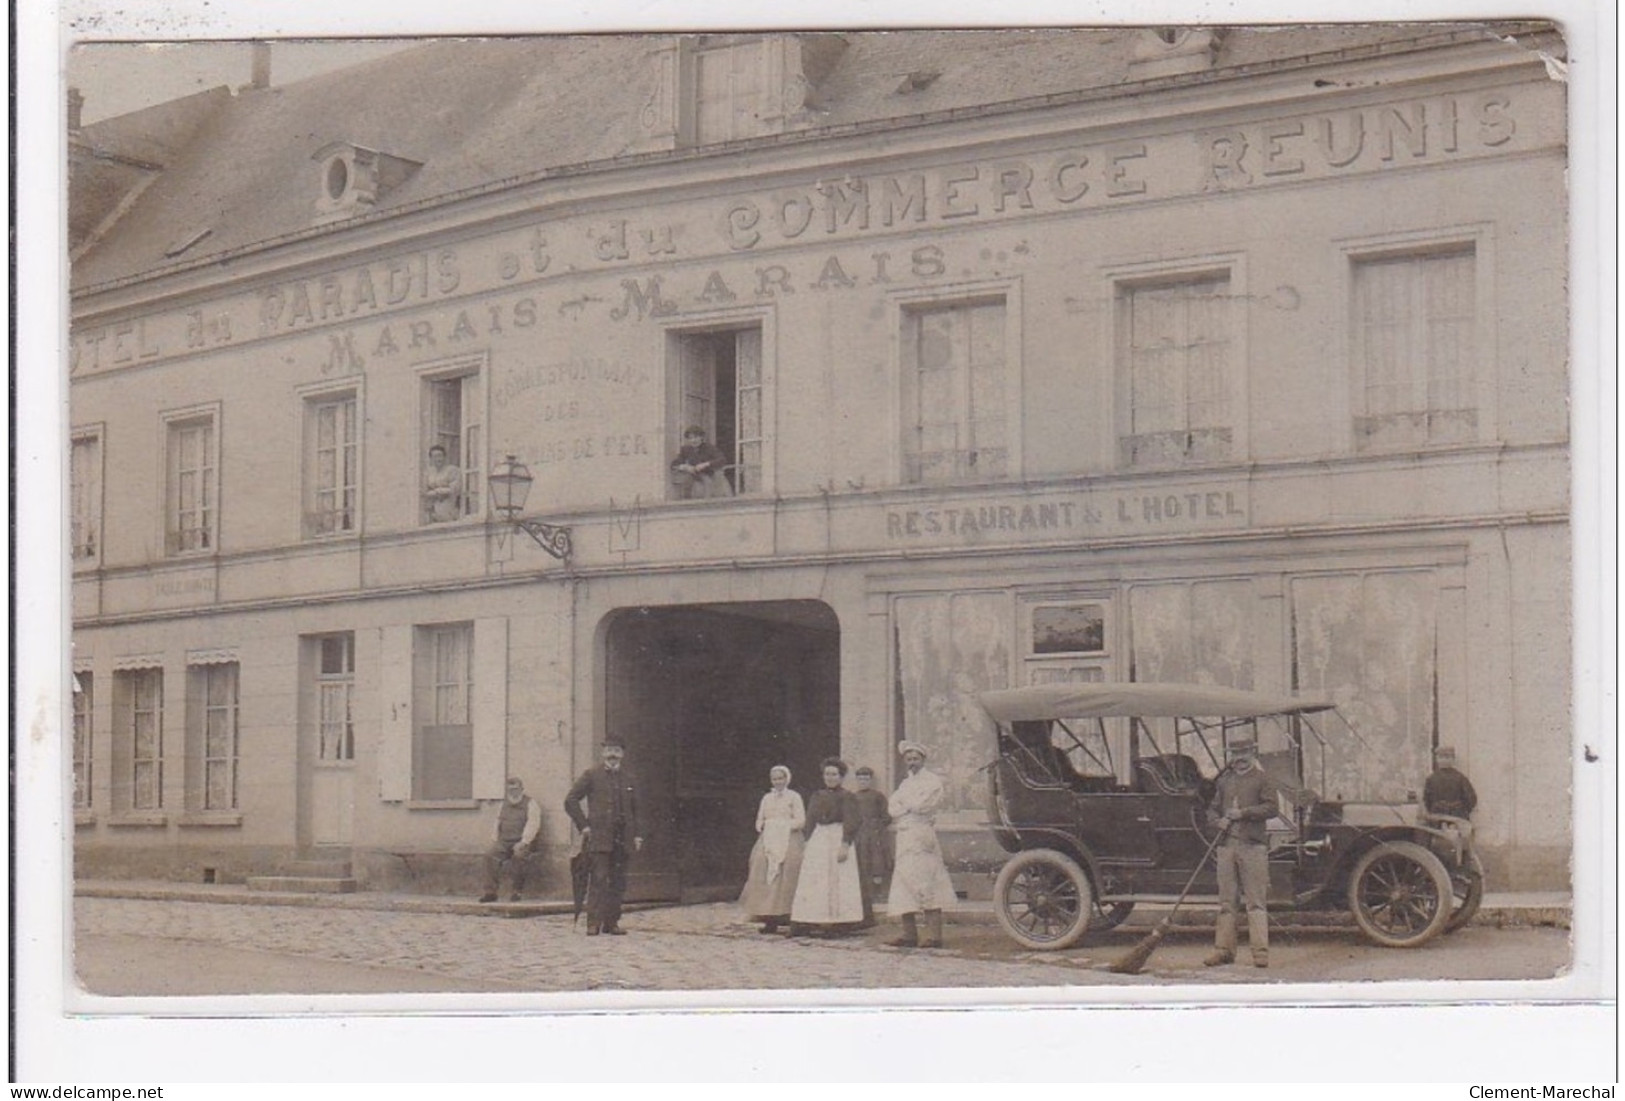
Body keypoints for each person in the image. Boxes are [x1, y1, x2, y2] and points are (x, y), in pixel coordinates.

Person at [1204, 734, 1278, 969]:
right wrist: (1218, 822)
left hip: (1253, 847)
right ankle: (1224, 951)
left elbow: (1272, 808)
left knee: (1256, 902)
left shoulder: (1263, 779)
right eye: (1235, 755)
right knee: (1227, 902)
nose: (1240, 759)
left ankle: (1260, 953)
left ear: (1252, 754)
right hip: (1226, 848)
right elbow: (1212, 811)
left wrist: (1243, 813)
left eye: (1244, 754)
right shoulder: (1224, 782)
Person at [564, 741, 644, 936]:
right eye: (609, 751)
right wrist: (584, 826)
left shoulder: (629, 779)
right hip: (599, 838)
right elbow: (570, 800)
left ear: (622, 754)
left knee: (618, 881)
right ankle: (593, 923)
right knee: (599, 879)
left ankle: (612, 923)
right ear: (602, 753)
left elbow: (637, 809)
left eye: (616, 751)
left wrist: (638, 834)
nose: (612, 755)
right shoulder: (592, 775)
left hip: (622, 838)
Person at [886, 741, 957, 948]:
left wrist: (907, 806)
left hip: (922, 835)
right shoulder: (905, 784)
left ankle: (934, 936)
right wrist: (907, 807)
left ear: (923, 760)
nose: (912, 763)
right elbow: (893, 808)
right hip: (905, 836)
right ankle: (909, 935)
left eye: (916, 759)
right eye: (909, 759)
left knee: (927, 881)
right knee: (904, 882)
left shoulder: (932, 781)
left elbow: (923, 806)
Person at [789, 758, 864, 935]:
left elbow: (852, 821)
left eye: (834, 774)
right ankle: (810, 920)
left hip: (837, 836)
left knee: (837, 877)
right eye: (827, 774)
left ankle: (837, 922)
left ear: (841, 777)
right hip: (819, 837)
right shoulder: (817, 795)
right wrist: (806, 841)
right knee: (815, 878)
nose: (830, 778)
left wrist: (845, 844)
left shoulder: (847, 796)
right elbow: (810, 819)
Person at [737, 765, 806, 934]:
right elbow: (760, 819)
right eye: (774, 779)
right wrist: (764, 826)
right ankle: (769, 919)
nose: (778, 782)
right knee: (763, 872)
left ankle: (789, 916)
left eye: (780, 778)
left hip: (789, 839)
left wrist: (782, 826)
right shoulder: (767, 798)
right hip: (768, 840)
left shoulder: (794, 797)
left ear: (787, 779)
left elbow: (800, 820)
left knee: (788, 874)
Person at [479, 776, 541, 902]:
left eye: (516, 789)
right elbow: (498, 822)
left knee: (519, 856)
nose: (513, 792)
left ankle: (516, 891)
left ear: (522, 789)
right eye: (510, 790)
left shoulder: (530, 803)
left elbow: (533, 824)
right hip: (504, 841)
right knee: (489, 855)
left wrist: (524, 841)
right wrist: (495, 840)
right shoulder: (503, 804)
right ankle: (490, 892)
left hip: (522, 842)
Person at [850, 765, 893, 929]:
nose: (863, 781)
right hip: (859, 834)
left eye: (866, 778)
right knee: (861, 862)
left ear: (871, 780)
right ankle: (864, 894)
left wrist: (877, 825)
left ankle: (878, 893)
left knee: (877, 861)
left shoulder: (878, 796)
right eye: (860, 779)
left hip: (875, 834)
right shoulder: (853, 797)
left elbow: (887, 816)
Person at [669, 426, 731, 500]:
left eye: (696, 437)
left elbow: (722, 459)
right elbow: (674, 464)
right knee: (686, 481)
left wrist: (706, 464)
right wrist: (685, 467)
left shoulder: (709, 448)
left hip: (710, 476)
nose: (693, 440)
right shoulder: (686, 450)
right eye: (690, 438)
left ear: (702, 437)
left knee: (709, 485)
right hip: (694, 477)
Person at [1423, 746, 1478, 820]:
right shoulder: (1431, 779)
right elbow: (1427, 800)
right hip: (1437, 815)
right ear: (1437, 759)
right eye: (1441, 757)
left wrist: (1462, 810)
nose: (1444, 760)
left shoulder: (1460, 778)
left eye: (1447, 757)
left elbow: (1471, 798)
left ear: (1453, 759)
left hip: (1458, 815)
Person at [422, 444, 462, 523]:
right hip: (433, 508)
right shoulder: (429, 473)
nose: (438, 459)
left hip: (449, 505)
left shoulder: (452, 470)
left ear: (444, 457)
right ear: (431, 459)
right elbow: (424, 491)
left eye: (440, 456)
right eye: (435, 457)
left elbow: (455, 489)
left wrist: (437, 491)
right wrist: (435, 493)